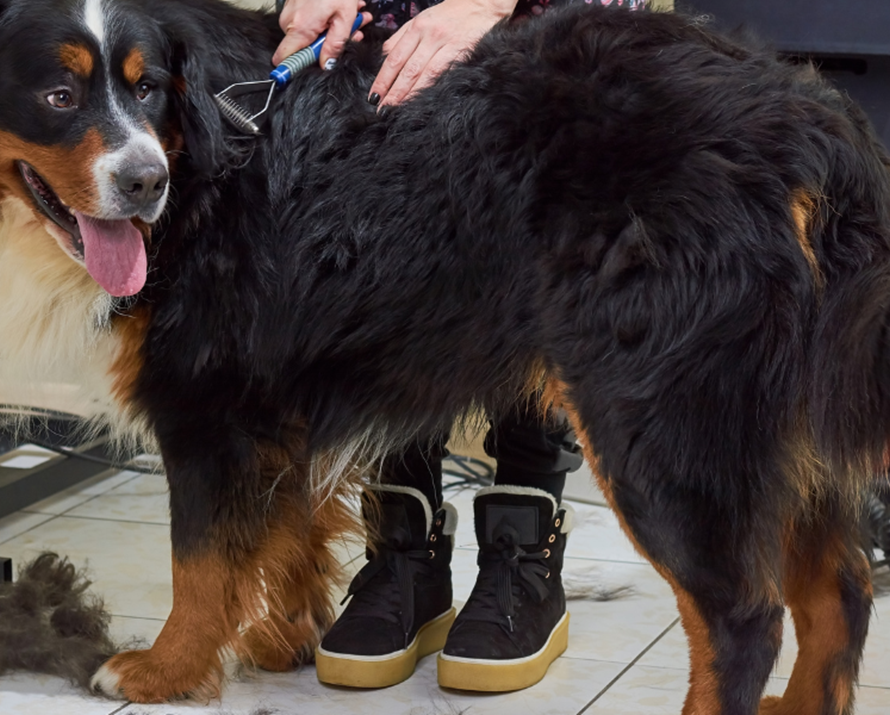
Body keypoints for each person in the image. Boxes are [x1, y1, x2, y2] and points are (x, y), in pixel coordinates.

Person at [274, 0, 645, 692]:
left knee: (531, 246)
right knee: (376, 244)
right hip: (385, 23)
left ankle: (524, 555)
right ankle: (403, 555)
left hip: (543, 23)